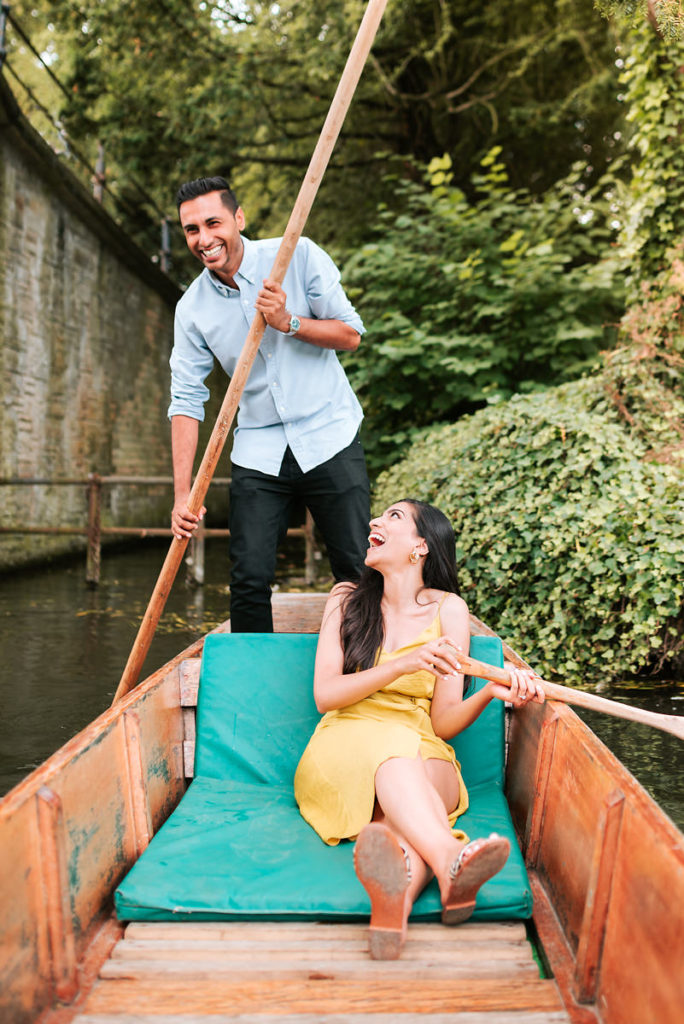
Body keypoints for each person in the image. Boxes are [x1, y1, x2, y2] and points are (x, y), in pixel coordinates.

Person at [294, 498, 545, 960]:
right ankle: (451, 863)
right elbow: (326, 695)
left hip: (422, 746)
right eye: (378, 515)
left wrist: (491, 693)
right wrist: (403, 663)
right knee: (395, 762)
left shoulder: (450, 610)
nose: (374, 520)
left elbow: (442, 724)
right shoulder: (345, 599)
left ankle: (394, 908)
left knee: (401, 794)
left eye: (393, 517)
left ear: (421, 547)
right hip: (346, 739)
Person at [168, 176, 370, 631]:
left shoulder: (297, 256)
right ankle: (251, 688)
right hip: (259, 450)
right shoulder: (192, 308)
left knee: (357, 571)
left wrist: (289, 321)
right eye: (191, 230)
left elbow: (350, 334)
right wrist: (183, 495)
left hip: (329, 434)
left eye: (213, 223)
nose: (204, 239)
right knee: (248, 579)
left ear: (238, 219)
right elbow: (186, 398)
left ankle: (364, 681)